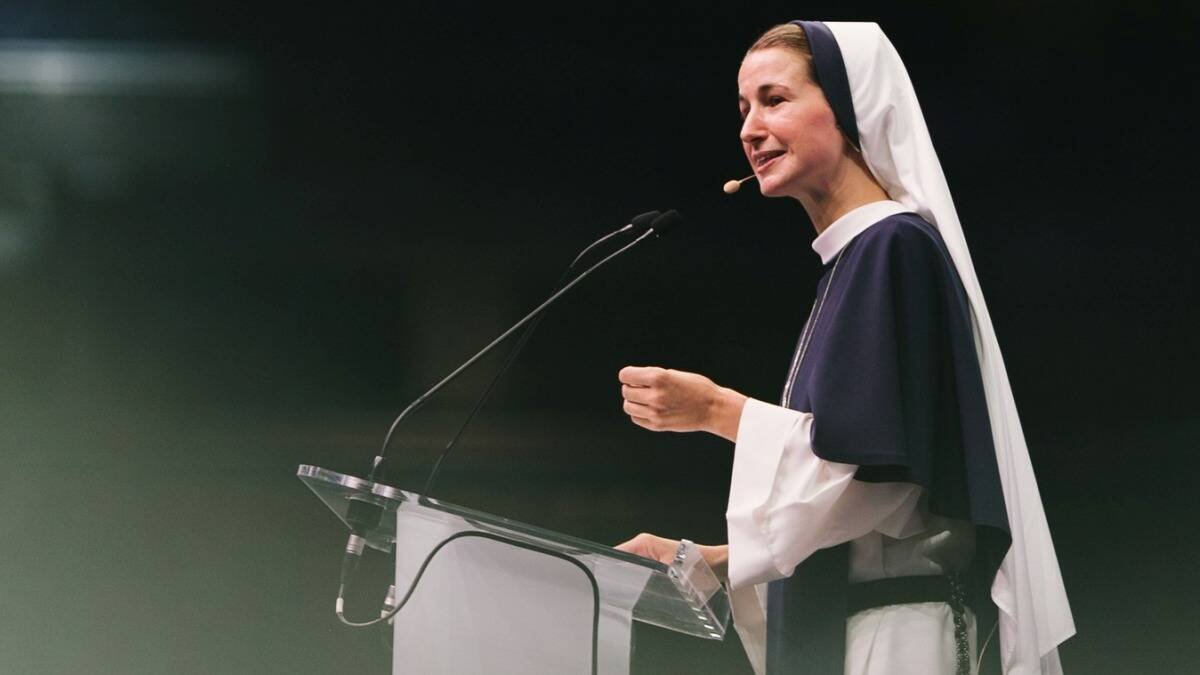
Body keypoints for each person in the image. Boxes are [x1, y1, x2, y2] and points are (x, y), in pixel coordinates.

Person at [615, 21, 1074, 675]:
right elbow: (854, 497)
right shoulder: (856, 261)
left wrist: (717, 408)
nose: (748, 128)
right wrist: (710, 560)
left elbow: (881, 474)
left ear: (852, 106)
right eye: (744, 109)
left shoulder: (892, 246)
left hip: (902, 637)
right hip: (871, 626)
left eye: (774, 100)